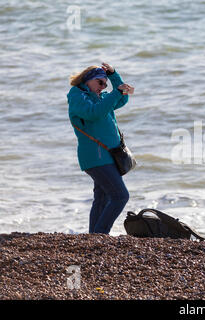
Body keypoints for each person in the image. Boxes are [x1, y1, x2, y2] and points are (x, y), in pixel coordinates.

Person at [67, 62, 134, 234]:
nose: (103, 87)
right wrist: (116, 92)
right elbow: (93, 113)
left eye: (105, 83)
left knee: (102, 198)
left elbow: (123, 98)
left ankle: (94, 237)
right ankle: (101, 234)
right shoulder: (77, 96)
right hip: (96, 158)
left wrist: (114, 76)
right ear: (88, 80)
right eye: (100, 82)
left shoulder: (101, 98)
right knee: (120, 196)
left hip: (108, 156)